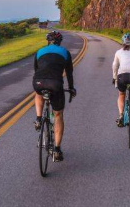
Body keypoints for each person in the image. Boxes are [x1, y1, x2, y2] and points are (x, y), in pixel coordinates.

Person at [33, 30, 76, 162]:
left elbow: (37, 69)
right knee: (58, 115)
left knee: (38, 93)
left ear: (48, 41)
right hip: (56, 84)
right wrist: (71, 88)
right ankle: (57, 150)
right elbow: (69, 73)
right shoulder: (65, 52)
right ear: (59, 41)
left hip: (38, 82)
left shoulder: (39, 51)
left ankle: (39, 119)